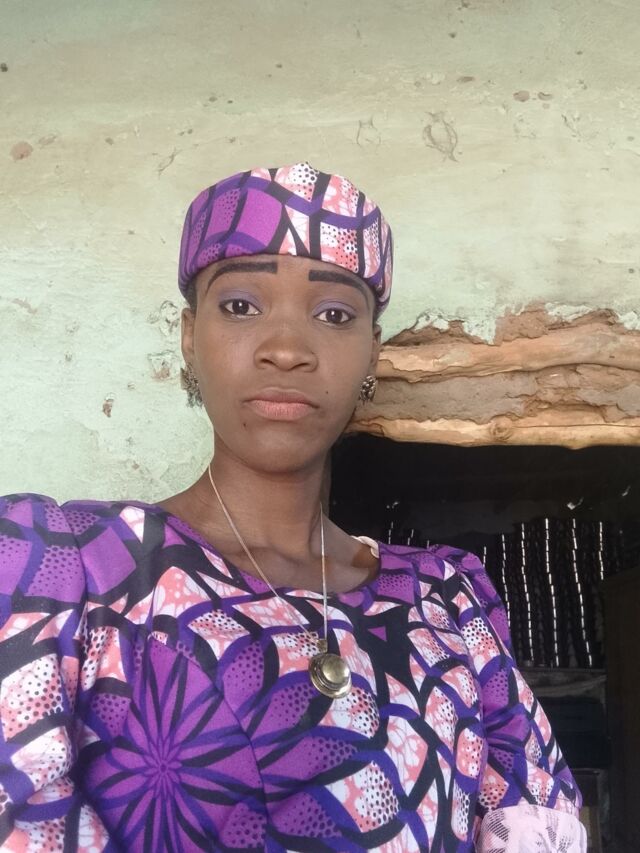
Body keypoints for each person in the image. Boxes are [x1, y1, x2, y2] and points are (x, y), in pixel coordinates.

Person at [0, 162, 585, 852]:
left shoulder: (449, 604)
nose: (286, 349)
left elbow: (536, 825)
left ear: (372, 352)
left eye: (334, 314)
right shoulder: (66, 573)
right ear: (189, 336)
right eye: (240, 306)